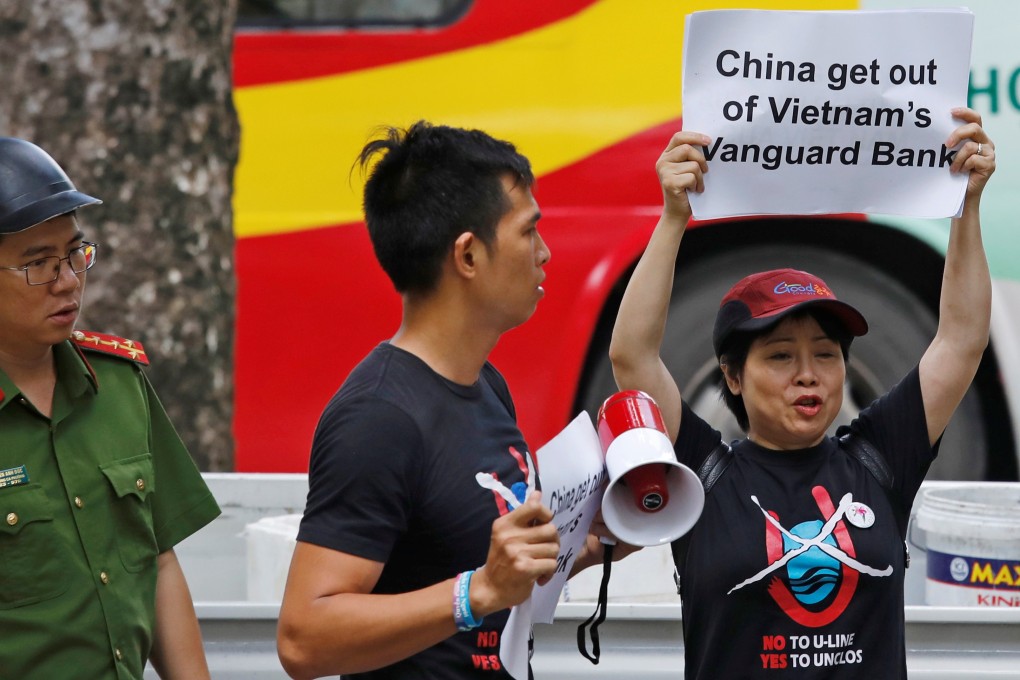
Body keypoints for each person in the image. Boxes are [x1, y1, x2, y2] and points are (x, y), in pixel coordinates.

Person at [608, 108, 995, 679]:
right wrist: (672, 220)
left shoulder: (882, 456)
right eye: (781, 355)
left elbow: (960, 339)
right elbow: (631, 357)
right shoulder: (702, 473)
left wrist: (967, 203)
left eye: (825, 353)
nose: (808, 373)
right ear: (732, 376)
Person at [276, 121, 620, 680]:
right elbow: (303, 639)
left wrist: (596, 541)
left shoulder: (487, 384)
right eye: (529, 232)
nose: (545, 252)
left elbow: (489, 576)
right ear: (467, 256)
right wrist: (479, 590)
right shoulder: (378, 417)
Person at [0, 137, 221, 679]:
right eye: (39, 265)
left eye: (76, 254)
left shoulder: (118, 384)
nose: (69, 281)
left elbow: (159, 559)